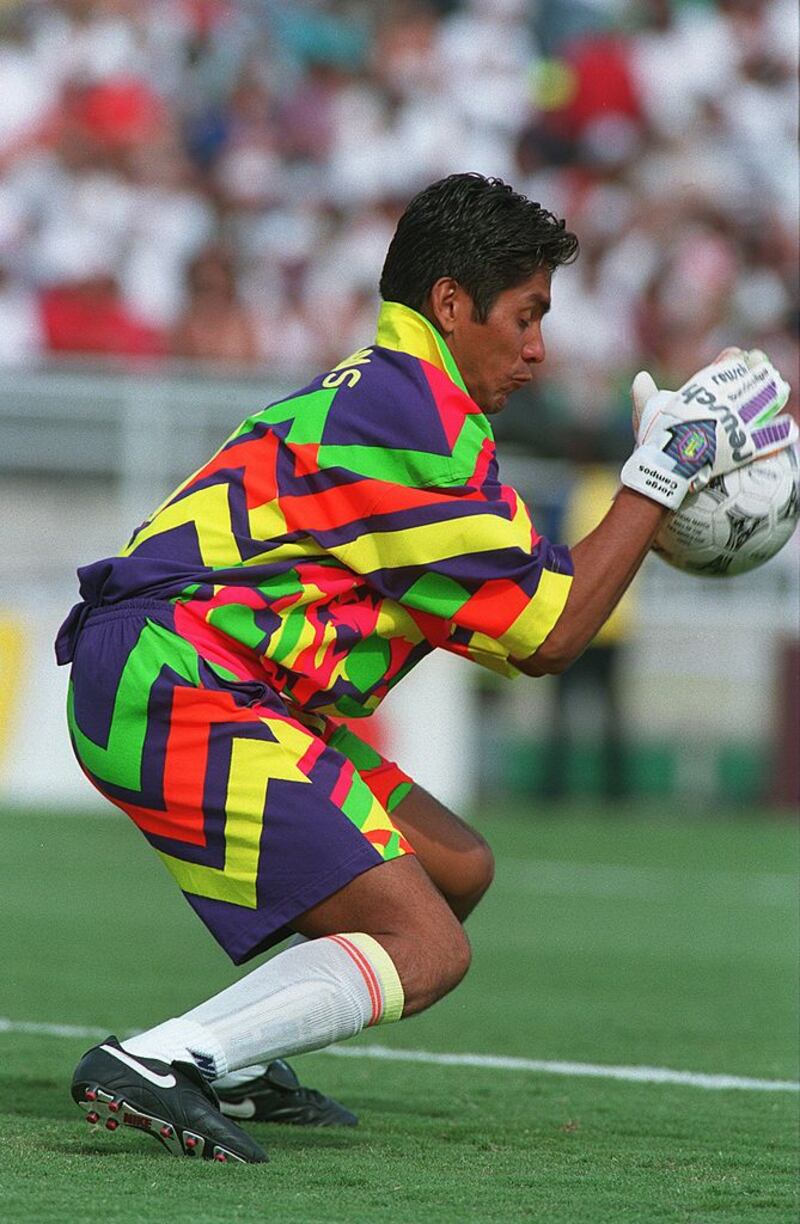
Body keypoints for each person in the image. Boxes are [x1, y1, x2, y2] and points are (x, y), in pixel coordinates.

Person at [55, 173, 794, 1165]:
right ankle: (165, 1060)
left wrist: (646, 494)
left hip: (208, 677)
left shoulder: (410, 406)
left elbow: (535, 594)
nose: (537, 348)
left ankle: (227, 1054)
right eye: (525, 316)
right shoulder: (413, 425)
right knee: (429, 950)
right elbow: (551, 637)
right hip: (175, 681)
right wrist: (659, 476)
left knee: (455, 872)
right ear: (450, 304)